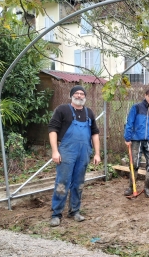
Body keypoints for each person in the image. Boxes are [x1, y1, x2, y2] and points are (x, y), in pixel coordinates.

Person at [48, 85, 101, 227]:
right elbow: (52, 130)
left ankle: (74, 211)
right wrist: (55, 151)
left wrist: (97, 153)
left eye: (82, 94)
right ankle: (56, 213)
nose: (79, 96)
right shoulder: (62, 110)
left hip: (84, 153)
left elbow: (95, 134)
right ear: (72, 96)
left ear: (85, 97)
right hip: (66, 152)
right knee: (62, 183)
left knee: (78, 183)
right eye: (76, 93)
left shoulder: (89, 113)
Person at [123, 87, 149, 198]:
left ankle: (147, 188)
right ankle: (131, 187)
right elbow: (129, 123)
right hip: (136, 140)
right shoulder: (136, 107)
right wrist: (127, 138)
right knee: (134, 164)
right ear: (145, 95)